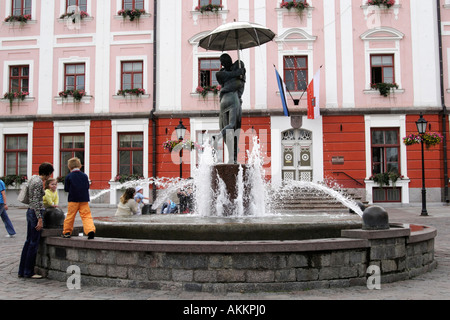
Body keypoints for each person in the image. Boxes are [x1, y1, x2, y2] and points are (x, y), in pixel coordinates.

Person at [18, 162, 54, 279]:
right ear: (48, 173)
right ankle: (29, 271)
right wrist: (39, 219)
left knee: (28, 241)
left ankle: (22, 270)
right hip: (34, 213)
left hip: (29, 212)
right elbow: (36, 202)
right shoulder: (39, 183)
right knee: (34, 242)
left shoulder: (33, 178)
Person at [214, 53, 246, 164]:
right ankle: (219, 136)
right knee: (234, 127)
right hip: (233, 99)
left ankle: (232, 159)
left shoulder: (222, 73)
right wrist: (238, 73)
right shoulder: (236, 70)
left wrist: (236, 73)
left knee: (228, 130)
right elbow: (239, 83)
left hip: (223, 101)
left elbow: (225, 78)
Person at [62, 157, 96, 239]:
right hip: (84, 199)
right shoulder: (84, 176)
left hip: (73, 200)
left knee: (70, 216)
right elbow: (87, 186)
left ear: (69, 167)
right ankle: (90, 230)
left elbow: (66, 189)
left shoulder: (69, 176)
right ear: (80, 166)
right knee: (86, 216)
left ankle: (67, 232)